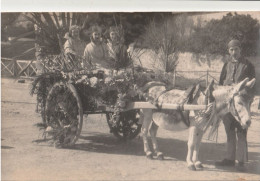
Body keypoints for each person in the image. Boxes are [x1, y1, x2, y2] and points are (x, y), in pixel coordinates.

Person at [215, 39, 255, 172]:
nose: (234, 52)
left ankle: (241, 162)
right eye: (231, 50)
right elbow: (221, 82)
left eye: (236, 49)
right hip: (228, 106)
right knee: (229, 131)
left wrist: (242, 94)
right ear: (228, 51)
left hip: (241, 104)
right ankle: (230, 159)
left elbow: (253, 86)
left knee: (242, 132)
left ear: (240, 49)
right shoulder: (226, 65)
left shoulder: (248, 65)